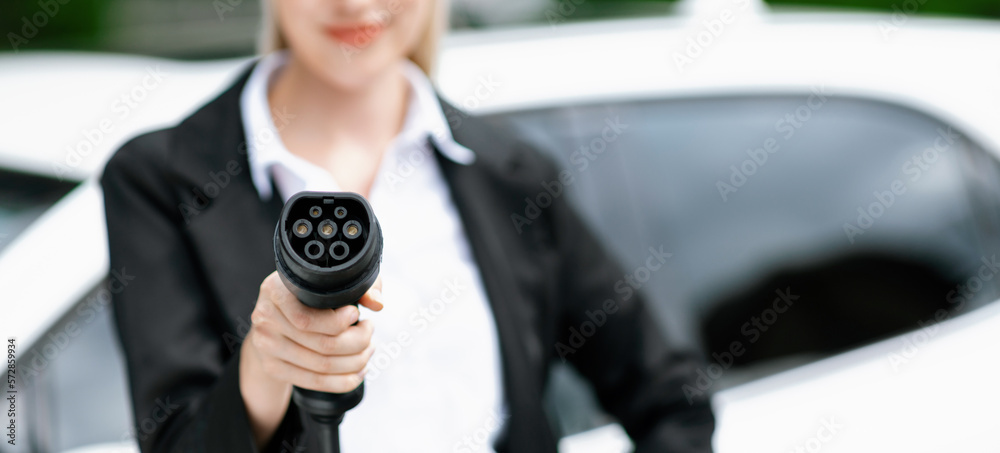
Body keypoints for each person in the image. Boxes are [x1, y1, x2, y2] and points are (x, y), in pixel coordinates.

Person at [100, 0, 715, 451]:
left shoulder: (510, 174)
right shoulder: (160, 181)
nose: (355, 4)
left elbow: (668, 396)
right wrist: (267, 363)